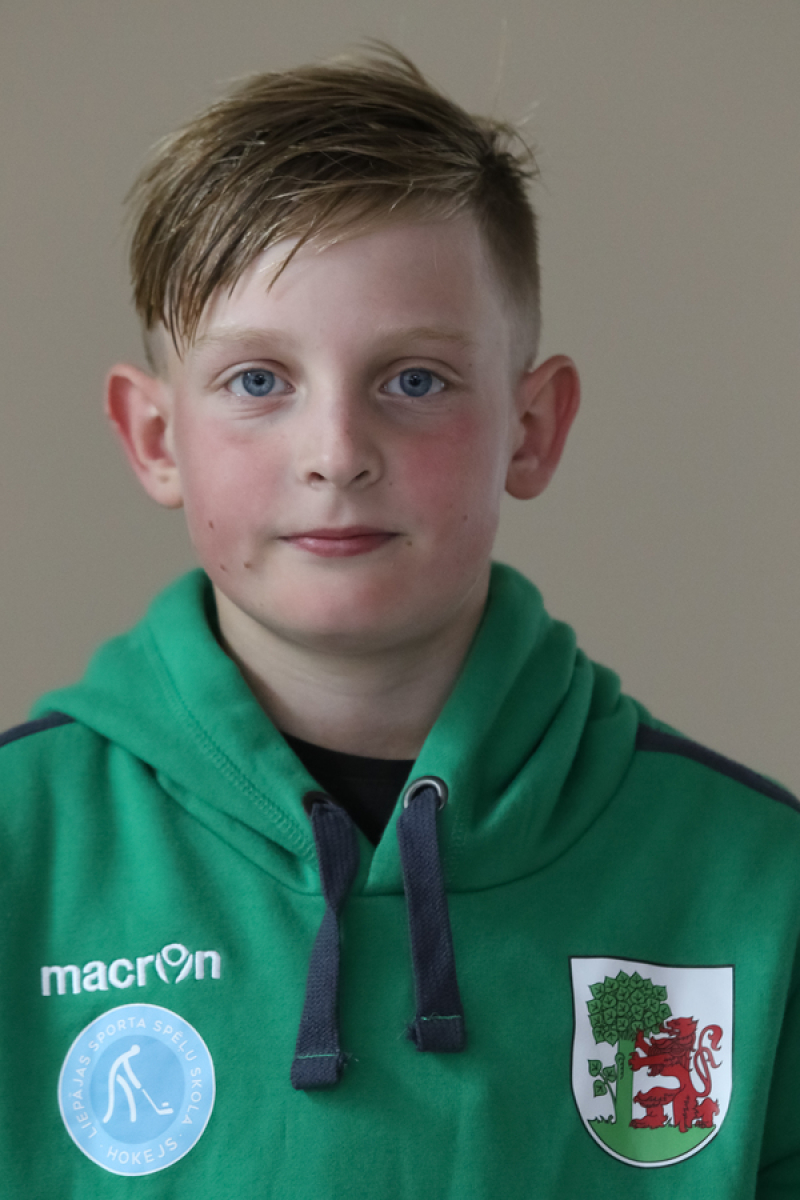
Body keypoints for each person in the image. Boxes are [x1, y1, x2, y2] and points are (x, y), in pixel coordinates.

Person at [0, 45, 797, 1199]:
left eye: (412, 380)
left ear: (530, 428)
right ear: (156, 438)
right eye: (258, 381)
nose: (336, 454)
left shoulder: (757, 885)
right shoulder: (21, 849)